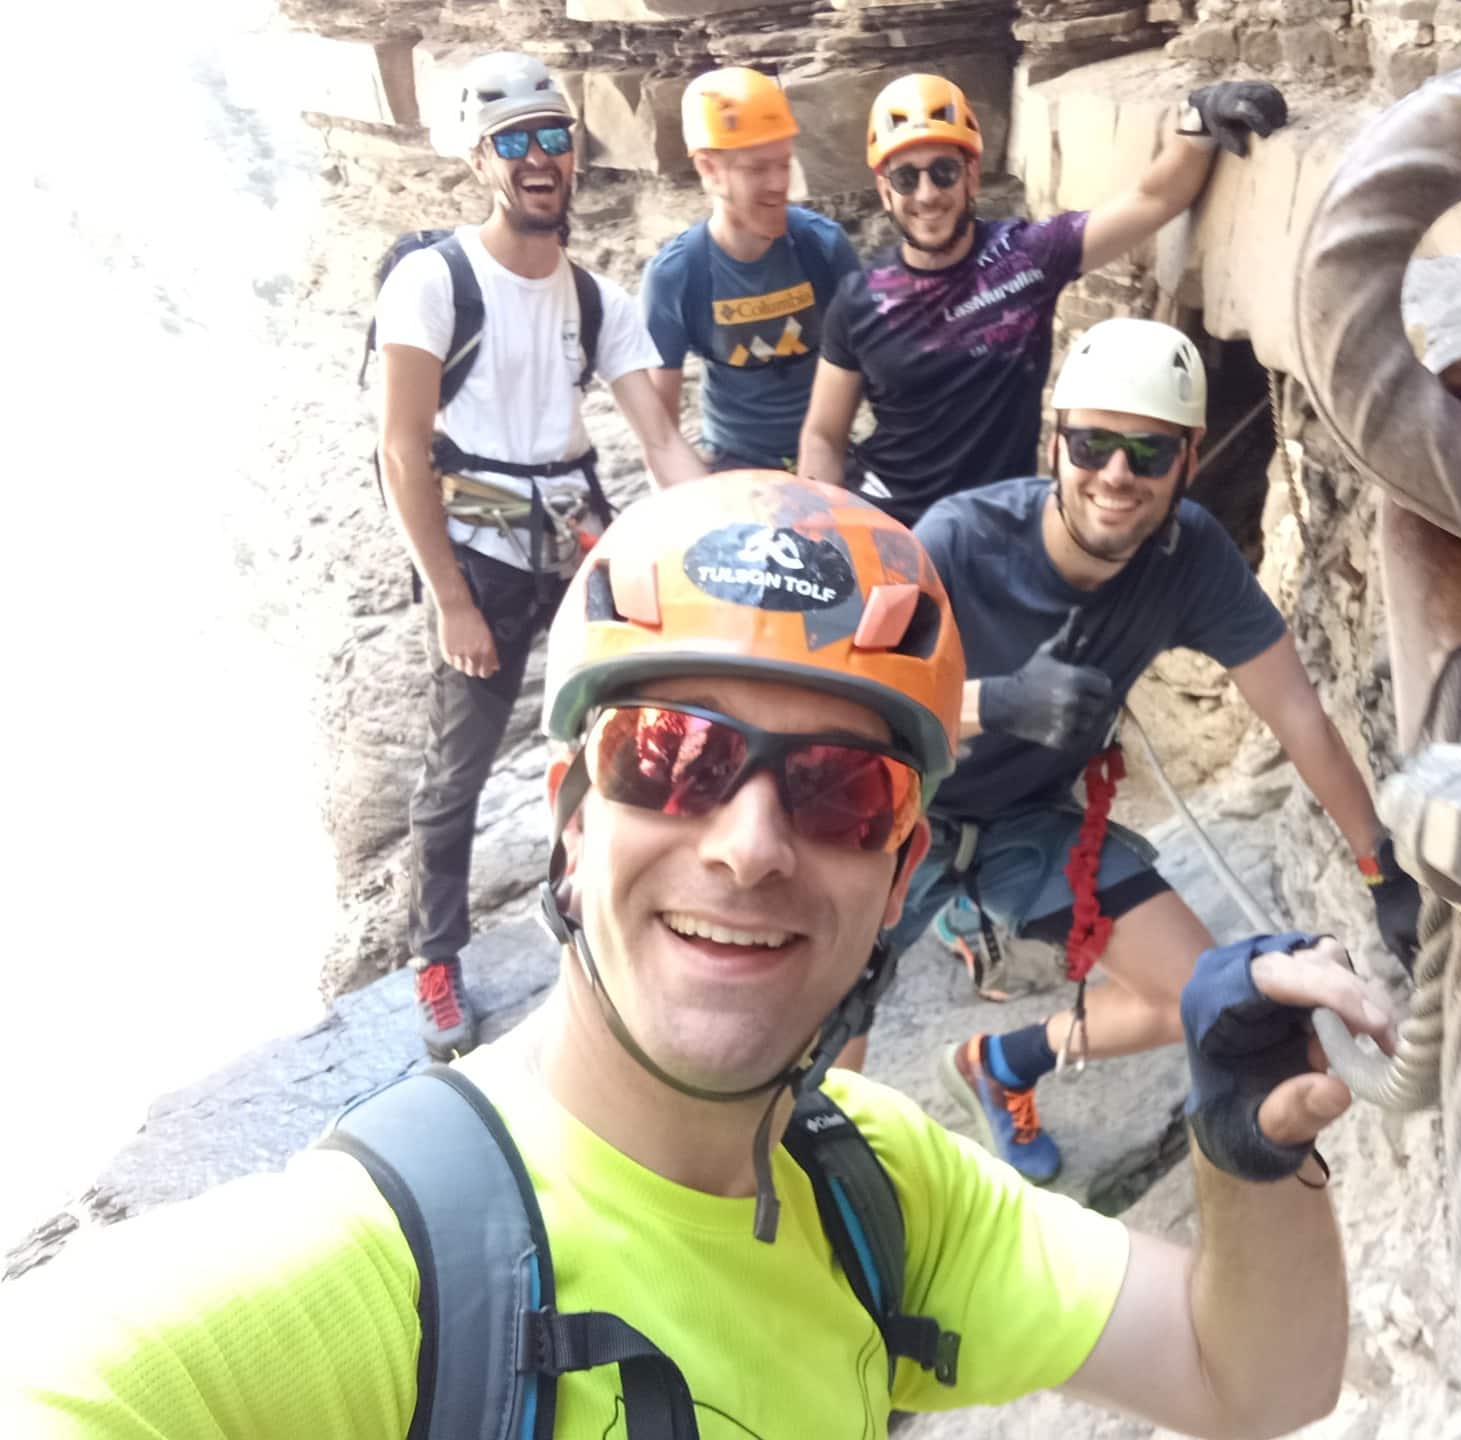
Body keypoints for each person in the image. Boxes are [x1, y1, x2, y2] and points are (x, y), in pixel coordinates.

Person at [2, 472, 1397, 1439]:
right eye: (670, 760)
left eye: (841, 791)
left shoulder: (884, 1189)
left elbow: (1248, 1379)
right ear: (567, 820)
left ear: (902, 868)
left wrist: (1245, 1154)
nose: (748, 844)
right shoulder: (370, 1276)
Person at [887, 317, 1423, 1183]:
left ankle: (1005, 1063)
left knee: (1196, 996)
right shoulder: (958, 543)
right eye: (1092, 444)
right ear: (1054, 442)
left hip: (1031, 821)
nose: (1115, 476)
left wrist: (1381, 866)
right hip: (902, 805)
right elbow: (860, 708)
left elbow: (1296, 712)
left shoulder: (1190, 559)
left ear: (1190, 457)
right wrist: (996, 704)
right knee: (819, 1032)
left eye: (1147, 452)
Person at [378, 51, 708, 1061]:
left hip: (571, 548)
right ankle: (437, 959)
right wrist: (449, 599)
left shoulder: (596, 299)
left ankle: (608, 908)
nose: (539, 160)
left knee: (624, 736)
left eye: (553, 138)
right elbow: (403, 447)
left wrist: (728, 525)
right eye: (515, 141)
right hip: (476, 560)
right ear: (481, 160)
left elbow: (659, 439)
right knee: (458, 770)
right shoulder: (435, 282)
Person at [795, 72, 1288, 526]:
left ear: (970, 175)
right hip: (890, 525)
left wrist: (1197, 123)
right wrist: (828, 530)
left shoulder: (1024, 258)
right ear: (885, 191)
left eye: (943, 172)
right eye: (906, 177)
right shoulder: (861, 300)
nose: (926, 194)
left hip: (997, 526)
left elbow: (1151, 200)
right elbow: (823, 433)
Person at [640, 67, 863, 473]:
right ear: (709, 169)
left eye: (784, 164)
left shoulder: (823, 248)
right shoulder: (677, 275)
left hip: (831, 455)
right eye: (758, 169)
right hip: (734, 463)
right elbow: (660, 433)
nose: (780, 184)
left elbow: (871, 368)